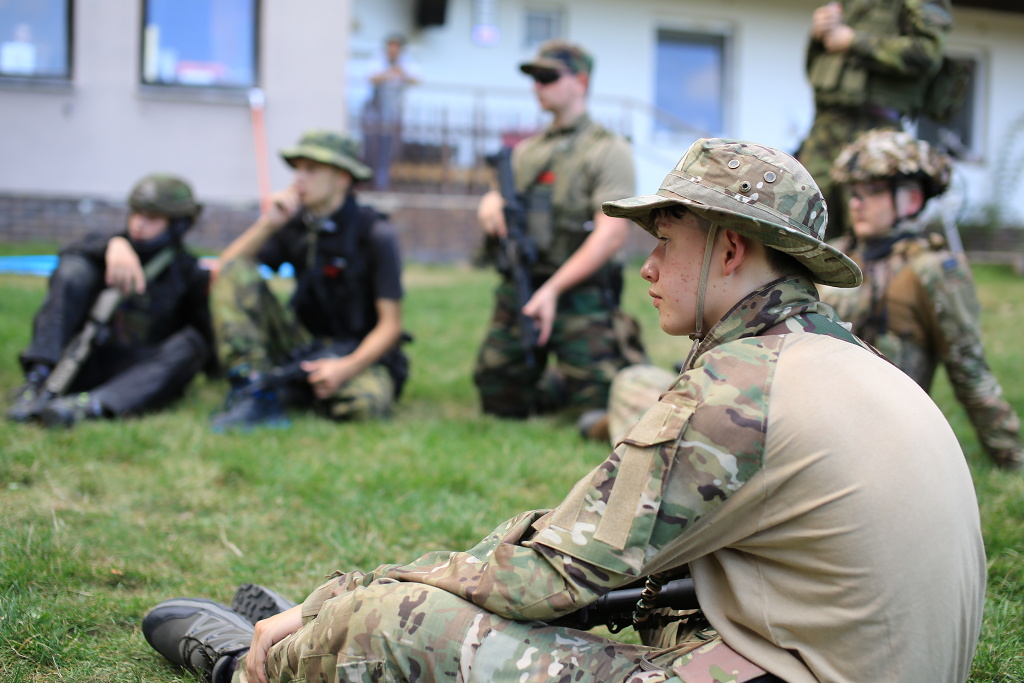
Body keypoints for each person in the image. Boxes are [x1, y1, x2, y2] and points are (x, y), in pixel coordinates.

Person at [141, 138, 986, 683]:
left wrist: (352, 593)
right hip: (840, 656)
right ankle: (312, 634)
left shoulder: (741, 388)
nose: (647, 268)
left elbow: (543, 574)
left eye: (665, 242)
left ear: (730, 248)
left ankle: (251, 663)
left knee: (408, 621)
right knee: (635, 601)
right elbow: (617, 554)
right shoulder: (843, 357)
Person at [820, 128, 1024, 470]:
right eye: (853, 192)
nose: (856, 203)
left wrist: (1012, 458)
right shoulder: (830, 255)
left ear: (912, 199)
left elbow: (968, 368)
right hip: (817, 427)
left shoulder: (933, 269)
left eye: (872, 191)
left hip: (888, 442)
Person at [474, 40, 646, 419]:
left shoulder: (607, 149)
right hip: (525, 282)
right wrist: (489, 204)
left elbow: (612, 233)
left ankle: (579, 372)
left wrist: (553, 290)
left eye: (548, 77)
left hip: (579, 292)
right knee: (498, 396)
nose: (538, 85)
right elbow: (502, 198)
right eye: (535, 78)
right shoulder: (527, 151)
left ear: (580, 82)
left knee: (600, 402)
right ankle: (553, 379)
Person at [208, 129, 408, 431]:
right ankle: (253, 388)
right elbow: (225, 268)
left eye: (312, 170)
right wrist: (269, 224)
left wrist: (345, 369)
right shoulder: (295, 226)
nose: (299, 178)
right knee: (236, 273)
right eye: (297, 169)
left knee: (364, 404)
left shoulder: (375, 234)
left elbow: (390, 326)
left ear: (342, 178)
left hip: (354, 351)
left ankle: (293, 387)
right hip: (301, 343)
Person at [5, 173, 215, 428]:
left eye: (151, 218)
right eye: (135, 214)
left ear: (178, 224)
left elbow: (205, 341)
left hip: (130, 373)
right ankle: (37, 381)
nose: (138, 224)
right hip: (79, 359)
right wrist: (113, 245)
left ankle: (89, 405)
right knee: (73, 270)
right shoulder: (102, 249)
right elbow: (69, 253)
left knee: (192, 345)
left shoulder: (187, 272)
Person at [795, 0, 952, 240]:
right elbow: (816, 68)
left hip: (876, 126)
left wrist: (854, 42)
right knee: (802, 223)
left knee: (867, 229)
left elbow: (927, 53)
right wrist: (818, 37)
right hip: (825, 127)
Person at [361, 33, 419, 191]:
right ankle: (369, 179)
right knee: (372, 147)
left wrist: (401, 72)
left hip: (393, 113)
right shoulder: (378, 60)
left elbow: (416, 79)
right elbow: (371, 77)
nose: (393, 50)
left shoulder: (405, 62)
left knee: (390, 148)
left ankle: (383, 180)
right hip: (375, 112)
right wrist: (388, 74)